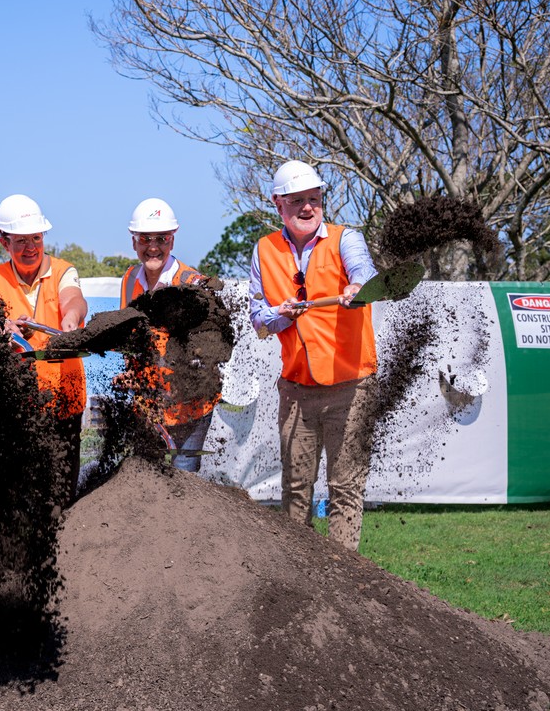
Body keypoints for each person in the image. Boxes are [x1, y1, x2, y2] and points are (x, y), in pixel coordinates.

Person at [248, 160, 378, 551]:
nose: (308, 208)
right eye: (298, 201)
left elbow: (366, 275)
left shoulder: (345, 239)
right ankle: (300, 579)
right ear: (278, 205)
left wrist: (358, 286)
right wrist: (280, 315)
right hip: (296, 390)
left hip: (352, 384)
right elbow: (258, 320)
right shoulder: (264, 250)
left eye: (314, 199)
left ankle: (344, 580)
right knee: (296, 489)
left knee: (346, 486)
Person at [0, 194, 88, 506]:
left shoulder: (62, 271)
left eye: (36, 238)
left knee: (61, 495)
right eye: (21, 241)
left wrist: (72, 316)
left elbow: (73, 298)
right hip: (17, 405)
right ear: (5, 243)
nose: (30, 247)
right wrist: (4, 328)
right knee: (20, 494)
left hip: (64, 399)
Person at [119, 198, 216, 472]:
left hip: (188, 409)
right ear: (133, 241)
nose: (153, 246)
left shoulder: (191, 284)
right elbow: (130, 338)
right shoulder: (129, 280)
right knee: (146, 482)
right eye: (145, 238)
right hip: (148, 405)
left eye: (161, 239)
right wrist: (131, 373)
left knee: (182, 482)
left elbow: (207, 348)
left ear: (172, 241)